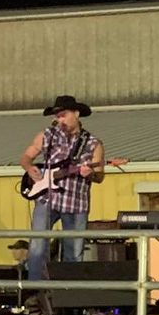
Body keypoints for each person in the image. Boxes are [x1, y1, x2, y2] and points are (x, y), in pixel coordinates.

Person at [20, 95, 105, 282]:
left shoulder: (93, 143)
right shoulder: (47, 135)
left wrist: (89, 174)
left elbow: (99, 176)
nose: (60, 120)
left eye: (63, 115)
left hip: (76, 202)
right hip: (47, 199)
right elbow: (26, 157)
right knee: (37, 247)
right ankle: (37, 289)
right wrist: (29, 168)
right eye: (57, 116)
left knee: (74, 252)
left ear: (76, 114)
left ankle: (69, 292)